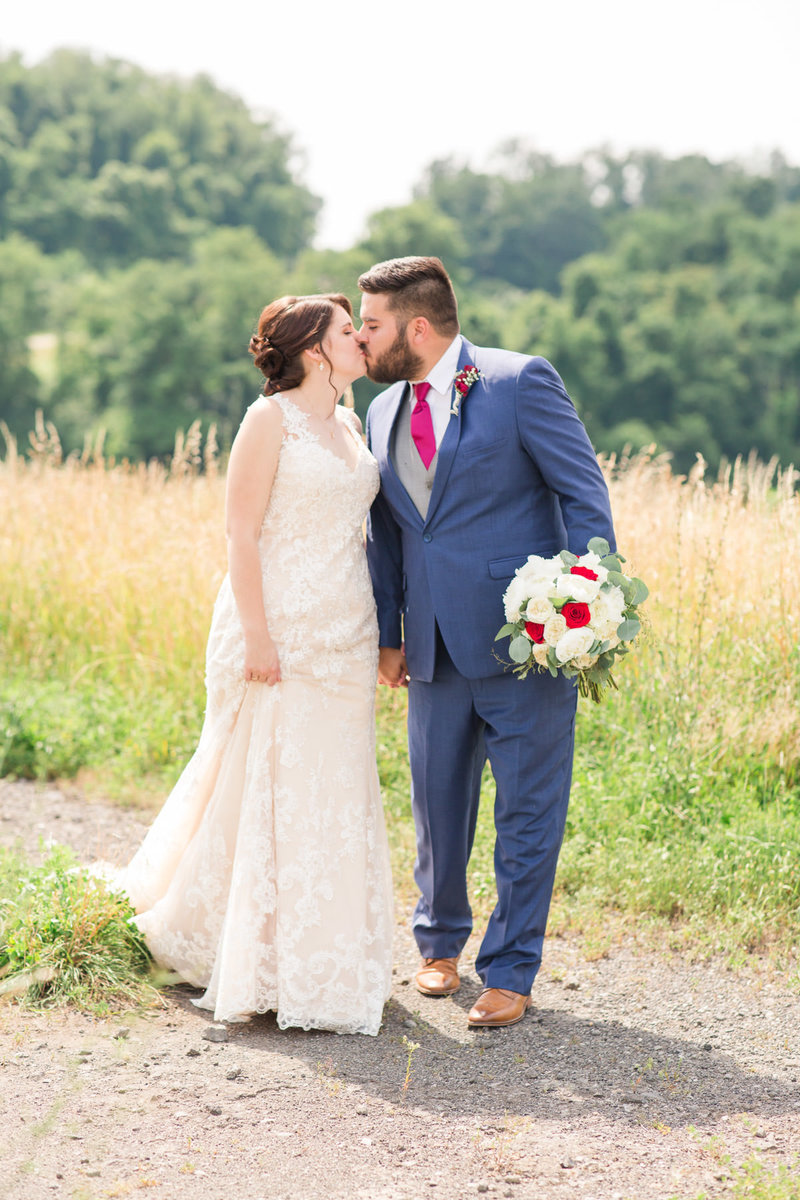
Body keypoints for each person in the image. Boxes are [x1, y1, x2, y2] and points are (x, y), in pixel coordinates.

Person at [117, 294, 393, 1035]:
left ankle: (322, 955)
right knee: (268, 779)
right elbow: (240, 536)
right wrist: (260, 636)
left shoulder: (351, 422)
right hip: (278, 629)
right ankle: (248, 951)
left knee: (333, 786)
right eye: (347, 332)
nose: (362, 339)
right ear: (312, 350)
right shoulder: (267, 421)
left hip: (345, 631)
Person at [358, 257, 615, 1029]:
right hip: (431, 650)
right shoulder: (379, 412)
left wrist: (582, 605)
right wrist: (390, 633)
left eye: (372, 325)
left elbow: (584, 493)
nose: (361, 340)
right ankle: (438, 947)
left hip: (525, 646)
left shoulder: (518, 383)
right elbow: (390, 534)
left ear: (419, 327)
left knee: (528, 813)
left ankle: (510, 969)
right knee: (437, 807)